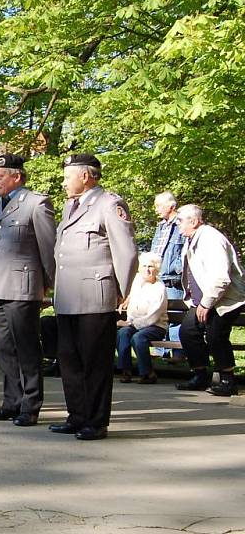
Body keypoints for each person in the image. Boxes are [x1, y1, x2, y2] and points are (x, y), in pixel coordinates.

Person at [50, 154, 138, 441]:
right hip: (68, 297)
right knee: (69, 360)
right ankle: (77, 415)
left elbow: (126, 251)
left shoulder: (109, 204)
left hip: (95, 296)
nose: (63, 182)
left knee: (95, 362)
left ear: (85, 176)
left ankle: (96, 421)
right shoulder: (69, 207)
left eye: (68, 175)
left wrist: (123, 292)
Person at [0, 154, 56, 427]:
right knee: (3, 347)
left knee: (25, 346)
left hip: (22, 287)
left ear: (17, 176)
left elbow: (48, 248)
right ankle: (11, 401)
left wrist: (47, 284)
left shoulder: (36, 204)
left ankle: (31, 403)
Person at [175, 204, 245, 396]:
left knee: (216, 336)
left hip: (225, 299)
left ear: (195, 221)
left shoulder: (211, 239)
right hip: (203, 300)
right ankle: (200, 375)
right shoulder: (193, 239)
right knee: (188, 331)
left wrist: (207, 303)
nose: (178, 225)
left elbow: (221, 277)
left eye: (181, 221)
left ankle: (228, 380)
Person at [116, 252, 168, 385]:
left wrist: (130, 322)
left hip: (156, 326)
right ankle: (126, 371)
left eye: (151, 266)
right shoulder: (138, 281)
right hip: (135, 323)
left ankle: (148, 373)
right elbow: (132, 295)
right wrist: (126, 301)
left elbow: (153, 316)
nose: (147, 269)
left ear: (156, 269)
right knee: (123, 333)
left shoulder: (159, 288)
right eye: (144, 266)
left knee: (138, 338)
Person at [151, 192, 185, 300]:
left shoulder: (181, 225)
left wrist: (178, 268)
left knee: (175, 315)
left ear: (172, 206)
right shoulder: (160, 227)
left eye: (159, 206)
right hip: (157, 282)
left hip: (174, 284)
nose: (157, 209)